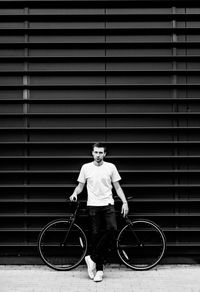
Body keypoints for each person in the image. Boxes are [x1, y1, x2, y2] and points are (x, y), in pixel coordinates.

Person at [69, 142, 129, 282]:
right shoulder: (86, 168)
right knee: (95, 237)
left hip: (108, 205)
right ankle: (99, 271)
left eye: (100, 152)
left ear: (105, 154)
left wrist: (125, 202)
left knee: (112, 229)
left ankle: (92, 258)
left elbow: (118, 187)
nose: (98, 155)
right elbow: (80, 186)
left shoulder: (110, 167)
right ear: (92, 153)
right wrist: (74, 193)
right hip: (93, 206)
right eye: (96, 152)